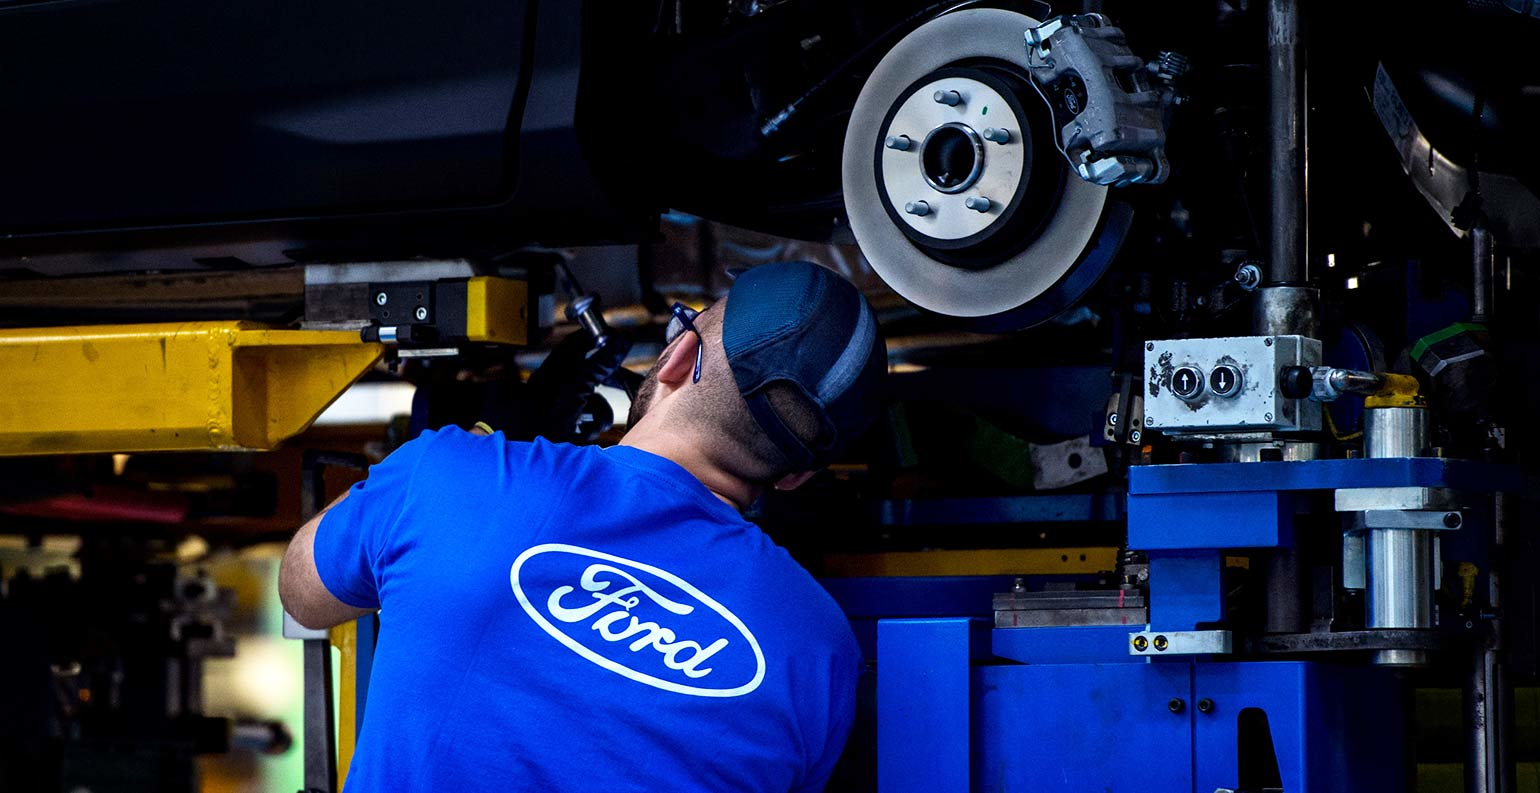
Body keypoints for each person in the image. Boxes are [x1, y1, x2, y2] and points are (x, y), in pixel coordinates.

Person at [279, 260, 888, 792]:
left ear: (675, 358)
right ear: (794, 477)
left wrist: (473, 461)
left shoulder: (450, 474)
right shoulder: (821, 649)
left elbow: (301, 590)